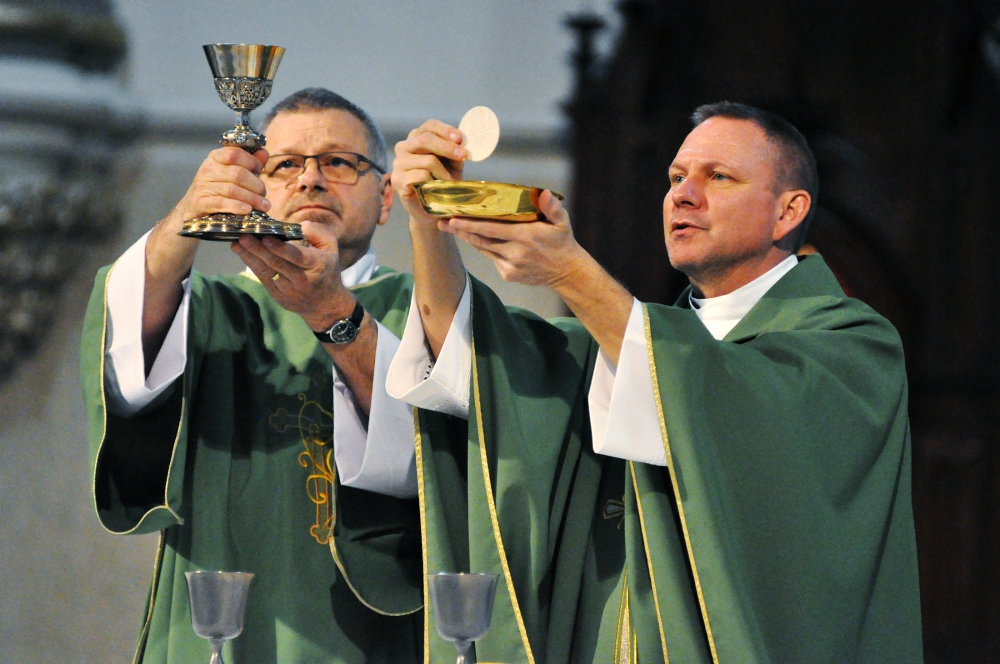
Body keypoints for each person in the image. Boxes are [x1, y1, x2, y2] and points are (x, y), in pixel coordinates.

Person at [389, 102, 923, 662]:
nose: (682, 195)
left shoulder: (855, 346)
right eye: (675, 177)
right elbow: (470, 361)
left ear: (788, 211)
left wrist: (570, 270)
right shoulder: (632, 345)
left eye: (718, 176)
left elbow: (730, 402)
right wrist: (428, 219)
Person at [81, 88, 424, 663]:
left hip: (373, 635)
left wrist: (330, 311)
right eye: (285, 164)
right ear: (255, 190)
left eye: (339, 162)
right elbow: (125, 347)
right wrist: (189, 215)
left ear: (386, 195)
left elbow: (431, 461)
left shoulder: (427, 309)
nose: (310, 181)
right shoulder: (205, 307)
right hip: (219, 628)